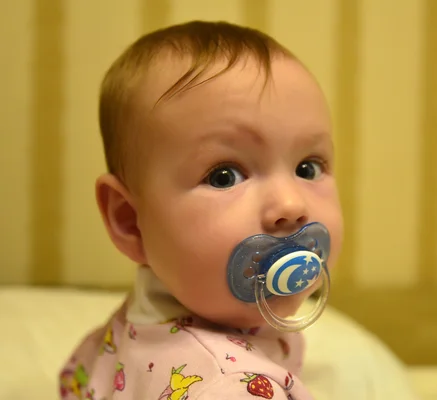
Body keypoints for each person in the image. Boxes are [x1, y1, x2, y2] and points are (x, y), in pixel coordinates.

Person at [59, 19, 343, 400]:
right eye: (224, 176)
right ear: (131, 222)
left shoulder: (131, 328)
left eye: (307, 167)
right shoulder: (227, 385)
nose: (291, 205)